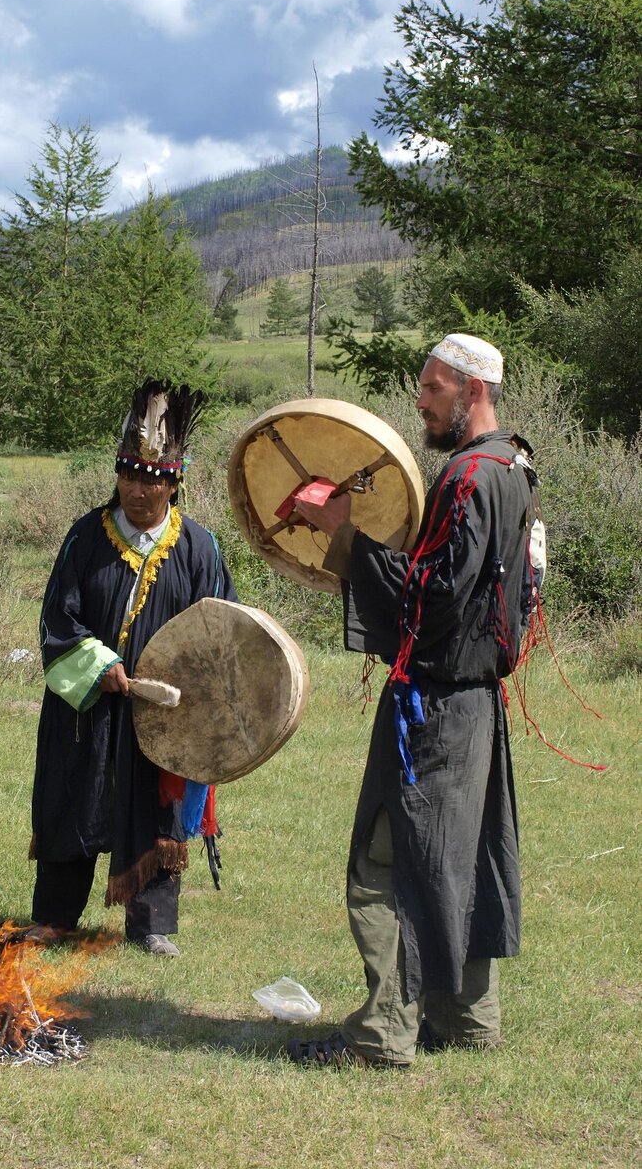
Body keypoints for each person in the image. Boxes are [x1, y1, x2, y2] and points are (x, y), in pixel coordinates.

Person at [288, 333, 542, 1068]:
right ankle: (467, 1020)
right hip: (473, 705)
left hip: (432, 708)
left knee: (391, 862)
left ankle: (381, 1037)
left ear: (473, 390)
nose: (421, 400)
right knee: (456, 857)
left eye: (432, 388)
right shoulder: (514, 466)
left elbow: (430, 600)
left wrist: (344, 534)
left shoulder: (466, 480)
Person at [28, 380, 237, 956]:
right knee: (74, 795)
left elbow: (220, 630)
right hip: (87, 707)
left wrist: (191, 690)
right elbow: (57, 622)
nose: (138, 490)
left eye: (152, 479)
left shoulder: (199, 548)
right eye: (129, 476)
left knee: (157, 805)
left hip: (162, 711)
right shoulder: (85, 538)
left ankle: (153, 925)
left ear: (175, 482)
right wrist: (103, 669)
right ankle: (54, 917)